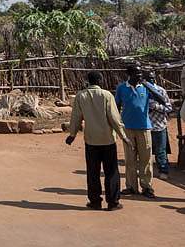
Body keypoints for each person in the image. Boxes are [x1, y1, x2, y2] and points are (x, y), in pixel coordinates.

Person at [67, 71, 132, 211]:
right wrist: (123, 136)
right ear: (100, 81)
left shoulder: (80, 96)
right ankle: (113, 203)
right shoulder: (107, 95)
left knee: (93, 173)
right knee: (111, 172)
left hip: (91, 141)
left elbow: (76, 117)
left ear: (88, 81)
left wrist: (72, 134)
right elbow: (114, 118)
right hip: (108, 140)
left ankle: (95, 202)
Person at [115, 64, 162, 199]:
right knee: (130, 159)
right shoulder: (122, 88)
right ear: (129, 74)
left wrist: (148, 86)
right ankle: (131, 186)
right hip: (128, 128)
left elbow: (161, 100)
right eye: (137, 73)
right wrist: (118, 124)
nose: (140, 75)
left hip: (144, 128)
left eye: (141, 73)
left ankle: (147, 186)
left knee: (146, 159)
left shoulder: (145, 87)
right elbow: (117, 105)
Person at [145, 70, 172, 180]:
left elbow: (169, 108)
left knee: (161, 151)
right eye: (149, 79)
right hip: (144, 126)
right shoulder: (142, 92)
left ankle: (163, 171)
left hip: (159, 125)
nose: (152, 80)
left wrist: (155, 106)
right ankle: (146, 173)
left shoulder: (161, 91)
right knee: (145, 151)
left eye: (153, 78)